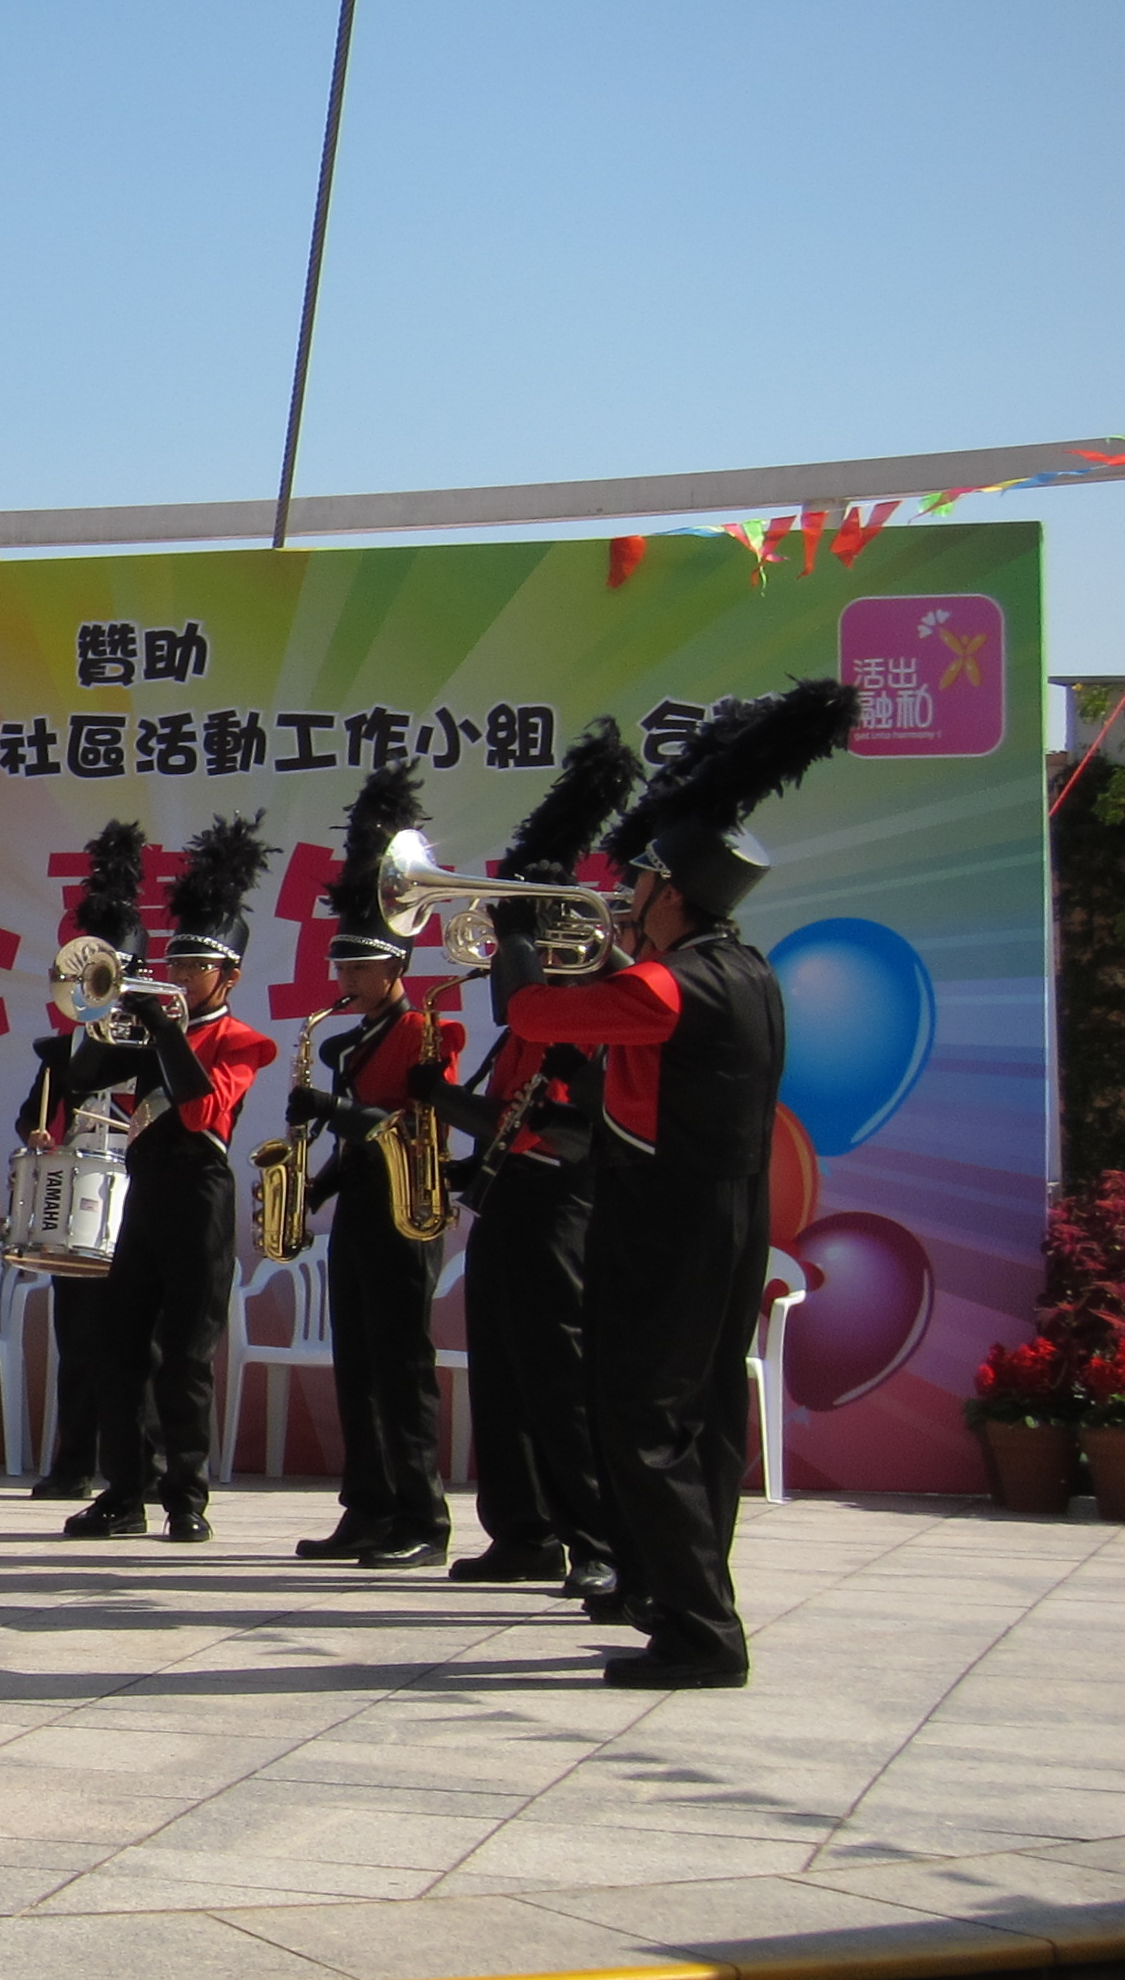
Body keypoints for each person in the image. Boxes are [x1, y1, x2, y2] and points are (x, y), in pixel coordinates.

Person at [506, 680, 853, 1690]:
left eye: (640, 885)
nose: (627, 898)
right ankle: (675, 1598)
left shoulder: (666, 983)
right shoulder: (746, 971)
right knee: (700, 1415)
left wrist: (521, 930)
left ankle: (701, 1629)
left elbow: (532, 1015)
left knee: (642, 1416)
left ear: (672, 893)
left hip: (667, 1218)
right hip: (728, 1214)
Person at [413, 718, 641, 1599]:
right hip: (512, 1201)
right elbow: (505, 1115)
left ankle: (597, 1538)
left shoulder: (596, 1007)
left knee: (556, 1375)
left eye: (536, 935)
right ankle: (523, 1531)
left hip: (562, 1204)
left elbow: (569, 1114)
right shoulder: (530, 1023)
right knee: (502, 1373)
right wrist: (442, 1111)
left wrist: (517, 934)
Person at [47, 814, 280, 1546]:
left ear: (228, 976)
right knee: (120, 1346)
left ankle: (186, 1496)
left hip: (199, 1194)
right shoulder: (150, 1029)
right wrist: (99, 1014)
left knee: (185, 1355)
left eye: (194, 967)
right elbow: (81, 1080)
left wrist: (167, 1031)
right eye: (174, 965)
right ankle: (124, 1492)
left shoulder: (241, 1039)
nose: (177, 978)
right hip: (142, 1191)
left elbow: (203, 1108)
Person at [285, 764, 465, 1571]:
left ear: (394, 969)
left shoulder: (428, 1032)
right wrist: (309, 1189)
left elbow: (412, 1126)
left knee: (401, 1367)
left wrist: (329, 1109)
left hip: (407, 1208)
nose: (345, 982)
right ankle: (366, 1507)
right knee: (355, 1364)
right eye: (342, 969)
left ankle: (423, 1516)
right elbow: (355, 1140)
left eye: (359, 970)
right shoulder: (351, 1041)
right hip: (361, 1207)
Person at [20, 820, 146, 1504]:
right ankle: (73, 1464)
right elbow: (30, 1115)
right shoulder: (63, 1052)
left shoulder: (158, 1043)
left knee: (140, 1342)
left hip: (140, 1202)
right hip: (79, 1206)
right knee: (78, 1339)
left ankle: (142, 1467)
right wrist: (40, 1133)